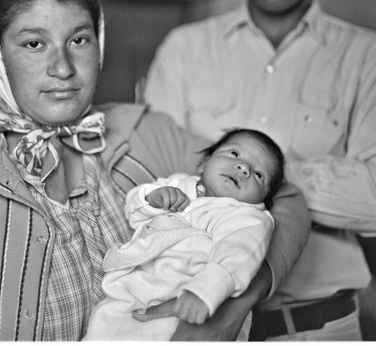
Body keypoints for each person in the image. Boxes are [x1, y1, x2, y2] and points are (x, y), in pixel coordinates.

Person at [0, 0, 310, 341]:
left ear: (99, 42)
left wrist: (234, 300)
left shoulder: (145, 132)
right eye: (34, 43)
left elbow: (286, 199)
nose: (62, 68)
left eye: (78, 40)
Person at [144, 0, 376, 341]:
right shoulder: (184, 51)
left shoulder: (370, 57)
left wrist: (250, 169)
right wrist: (314, 178)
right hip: (199, 326)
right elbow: (150, 177)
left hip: (319, 330)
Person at [85, 128, 284, 341]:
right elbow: (134, 212)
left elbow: (239, 253)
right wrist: (151, 199)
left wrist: (206, 291)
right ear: (204, 163)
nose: (244, 168)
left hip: (191, 301)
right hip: (132, 291)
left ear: (263, 199)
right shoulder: (178, 183)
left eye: (259, 174)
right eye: (235, 154)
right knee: (102, 327)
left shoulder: (247, 216)